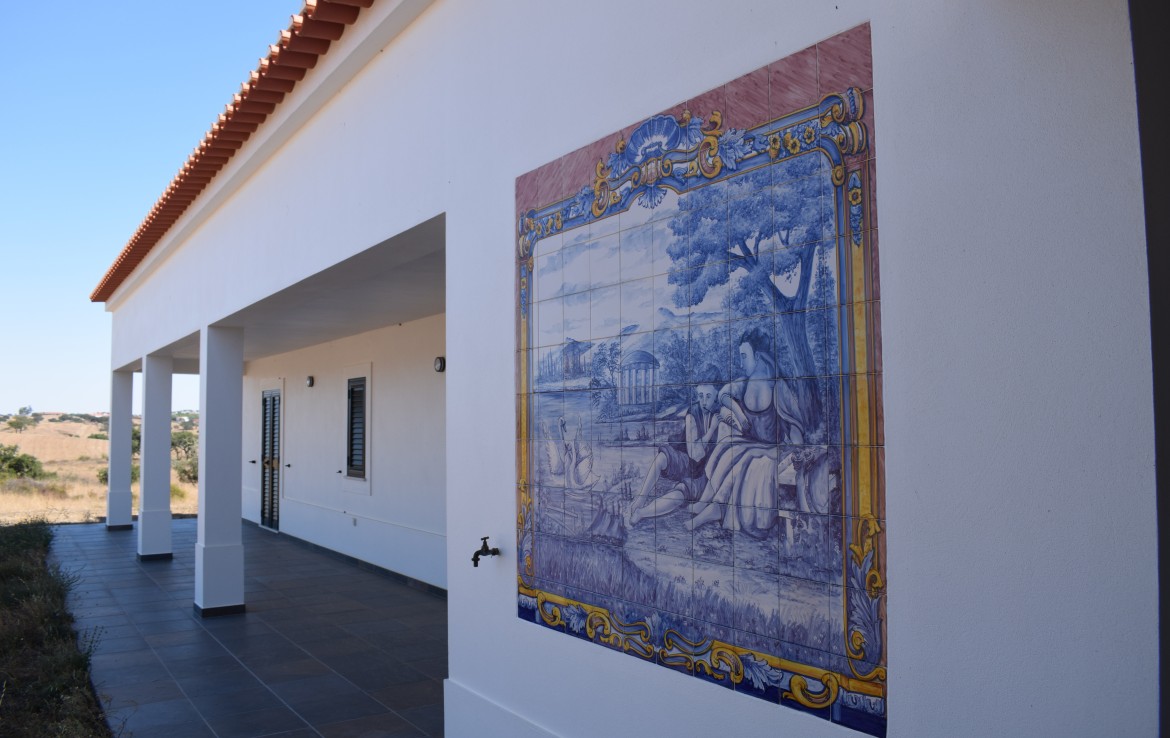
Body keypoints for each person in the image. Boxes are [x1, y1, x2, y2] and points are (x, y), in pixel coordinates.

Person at [687, 328, 790, 536]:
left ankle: (715, 509)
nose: (741, 363)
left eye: (744, 356)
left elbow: (793, 430)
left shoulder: (778, 387)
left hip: (774, 448)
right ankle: (706, 500)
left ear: (758, 356)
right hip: (755, 442)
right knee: (727, 446)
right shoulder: (746, 383)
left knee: (743, 459)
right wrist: (740, 416)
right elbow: (723, 394)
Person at [627, 375, 721, 526]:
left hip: (704, 471)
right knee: (662, 458)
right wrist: (709, 433)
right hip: (688, 459)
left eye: (708, 396)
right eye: (700, 396)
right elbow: (694, 453)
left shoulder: (721, 414)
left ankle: (641, 513)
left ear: (716, 395)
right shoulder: (693, 411)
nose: (703, 401)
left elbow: (700, 455)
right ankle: (640, 500)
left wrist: (710, 431)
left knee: (679, 495)